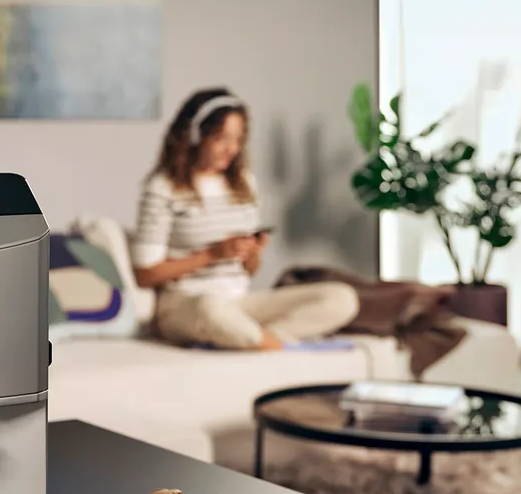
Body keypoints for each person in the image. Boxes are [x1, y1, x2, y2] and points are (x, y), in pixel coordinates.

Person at [131, 88, 359, 351]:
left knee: (341, 298)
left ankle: (255, 340)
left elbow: (249, 270)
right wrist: (212, 254)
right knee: (211, 309)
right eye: (221, 139)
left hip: (238, 303)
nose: (232, 149)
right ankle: (274, 346)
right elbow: (146, 275)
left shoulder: (244, 183)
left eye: (238, 139)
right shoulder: (163, 187)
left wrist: (252, 252)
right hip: (185, 304)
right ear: (194, 136)